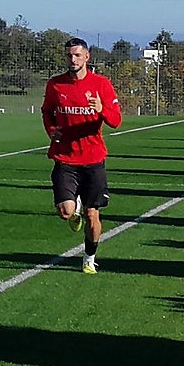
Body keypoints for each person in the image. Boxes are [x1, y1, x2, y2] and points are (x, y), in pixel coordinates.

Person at [41, 37, 123, 274]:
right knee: (65, 211)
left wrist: (101, 109)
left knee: (92, 214)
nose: (73, 59)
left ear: (87, 57)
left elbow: (116, 121)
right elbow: (47, 112)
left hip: (93, 159)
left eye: (77, 55)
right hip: (65, 158)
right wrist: (51, 130)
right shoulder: (55, 85)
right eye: (69, 55)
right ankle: (72, 207)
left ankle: (89, 257)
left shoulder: (102, 85)